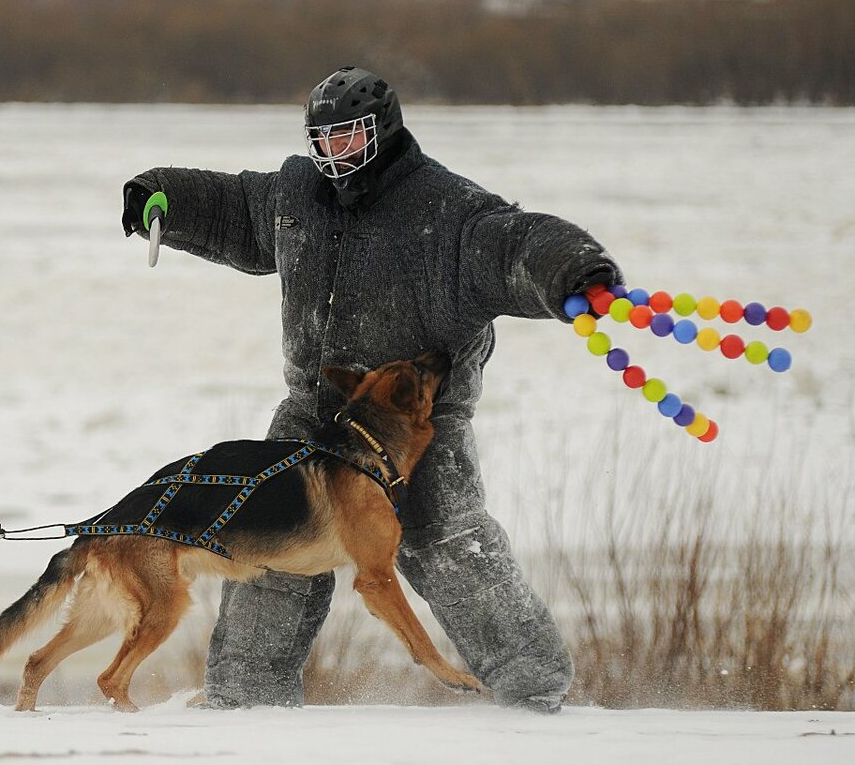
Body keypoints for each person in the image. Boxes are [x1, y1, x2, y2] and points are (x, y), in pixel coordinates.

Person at [120, 66, 621, 714]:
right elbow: (237, 208)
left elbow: (515, 245)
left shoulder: (450, 210)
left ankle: (536, 696)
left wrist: (572, 272)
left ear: (383, 131)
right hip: (312, 419)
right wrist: (160, 197)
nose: (334, 156)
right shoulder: (298, 195)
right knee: (271, 548)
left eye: (348, 140)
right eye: (322, 142)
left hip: (413, 425)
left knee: (446, 544)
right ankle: (245, 705)